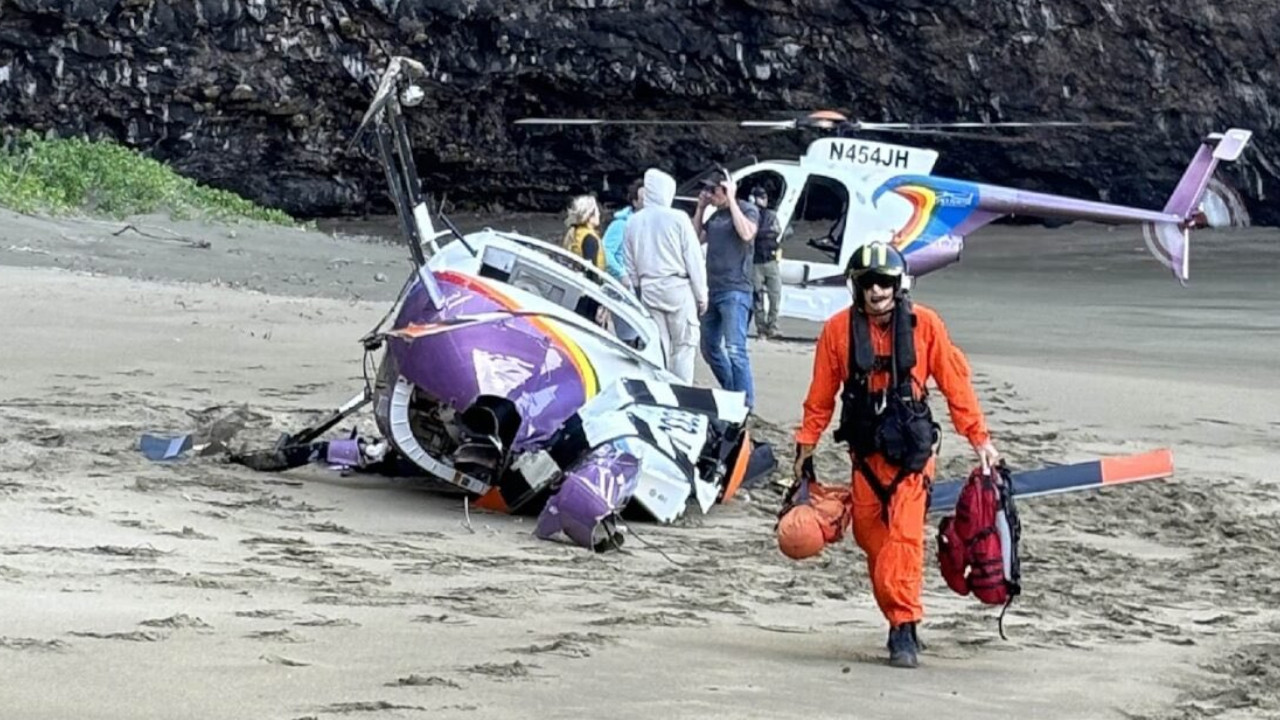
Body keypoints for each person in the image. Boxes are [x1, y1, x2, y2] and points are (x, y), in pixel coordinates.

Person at [785, 241, 1001, 669]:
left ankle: (903, 627)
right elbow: (820, 398)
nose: (877, 291)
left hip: (912, 460)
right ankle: (899, 614)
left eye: (884, 282)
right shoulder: (836, 333)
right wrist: (805, 449)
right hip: (865, 459)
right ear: (857, 288)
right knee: (873, 541)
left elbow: (957, 386)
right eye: (868, 283)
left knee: (903, 540)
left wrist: (980, 439)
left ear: (897, 286)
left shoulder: (927, 326)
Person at [623, 168, 708, 383]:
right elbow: (694, 259)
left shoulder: (633, 221)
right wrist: (701, 295)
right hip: (678, 287)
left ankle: (658, 389)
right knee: (684, 345)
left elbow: (629, 262)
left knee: (657, 345)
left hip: (649, 288)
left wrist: (637, 290)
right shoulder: (678, 219)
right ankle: (681, 391)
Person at [695, 170, 759, 408]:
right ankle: (733, 391)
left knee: (735, 349)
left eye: (714, 190)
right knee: (709, 346)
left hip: (736, 289)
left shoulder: (746, 210)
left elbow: (747, 233)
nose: (709, 194)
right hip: (713, 288)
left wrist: (732, 199)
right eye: (707, 190)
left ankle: (746, 402)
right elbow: (694, 240)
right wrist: (701, 209)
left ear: (727, 188)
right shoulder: (714, 217)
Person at [748, 185, 783, 339]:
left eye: (764, 197)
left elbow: (776, 231)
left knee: (775, 295)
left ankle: (772, 326)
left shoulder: (770, 215)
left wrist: (760, 234)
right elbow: (751, 233)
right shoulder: (750, 214)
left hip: (770, 260)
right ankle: (762, 328)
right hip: (756, 262)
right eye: (761, 197)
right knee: (757, 298)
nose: (764, 200)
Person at [602, 179, 643, 285]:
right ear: (635, 202)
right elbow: (605, 252)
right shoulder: (621, 224)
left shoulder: (652, 226)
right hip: (627, 286)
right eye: (644, 199)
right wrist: (622, 274)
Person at [562, 195, 605, 271]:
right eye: (597, 211)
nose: (599, 214)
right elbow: (591, 271)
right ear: (588, 215)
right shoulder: (590, 238)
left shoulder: (574, 232)